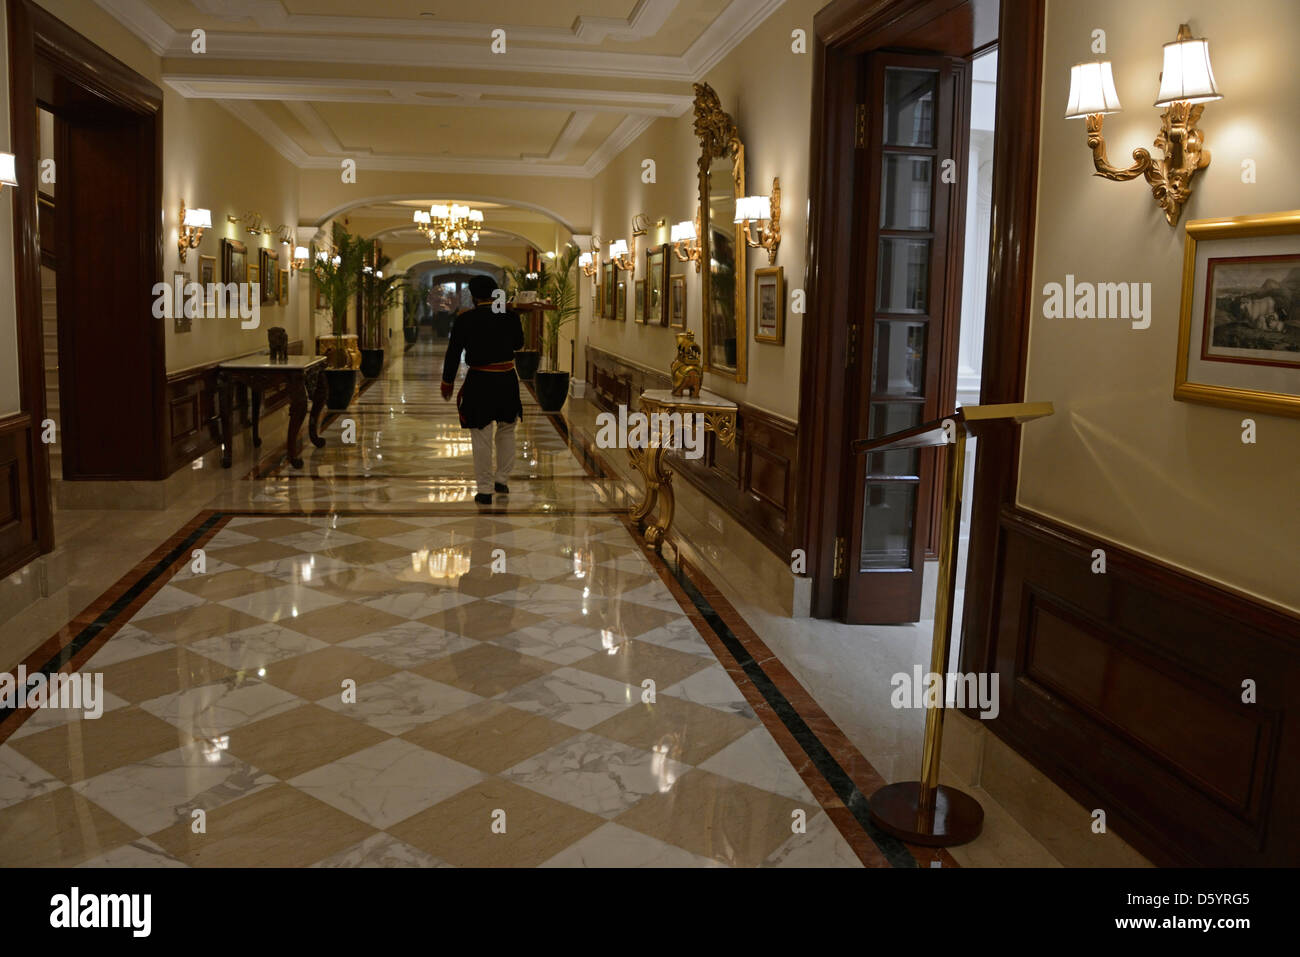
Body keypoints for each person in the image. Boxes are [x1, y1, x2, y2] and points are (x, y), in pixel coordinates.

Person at [440, 276, 523, 505]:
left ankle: (485, 490)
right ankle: (502, 479)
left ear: (474, 296)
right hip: (506, 380)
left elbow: (453, 352)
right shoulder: (510, 316)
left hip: (480, 381)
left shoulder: (466, 319)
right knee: (507, 431)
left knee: (481, 435)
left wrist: (447, 381)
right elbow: (519, 344)